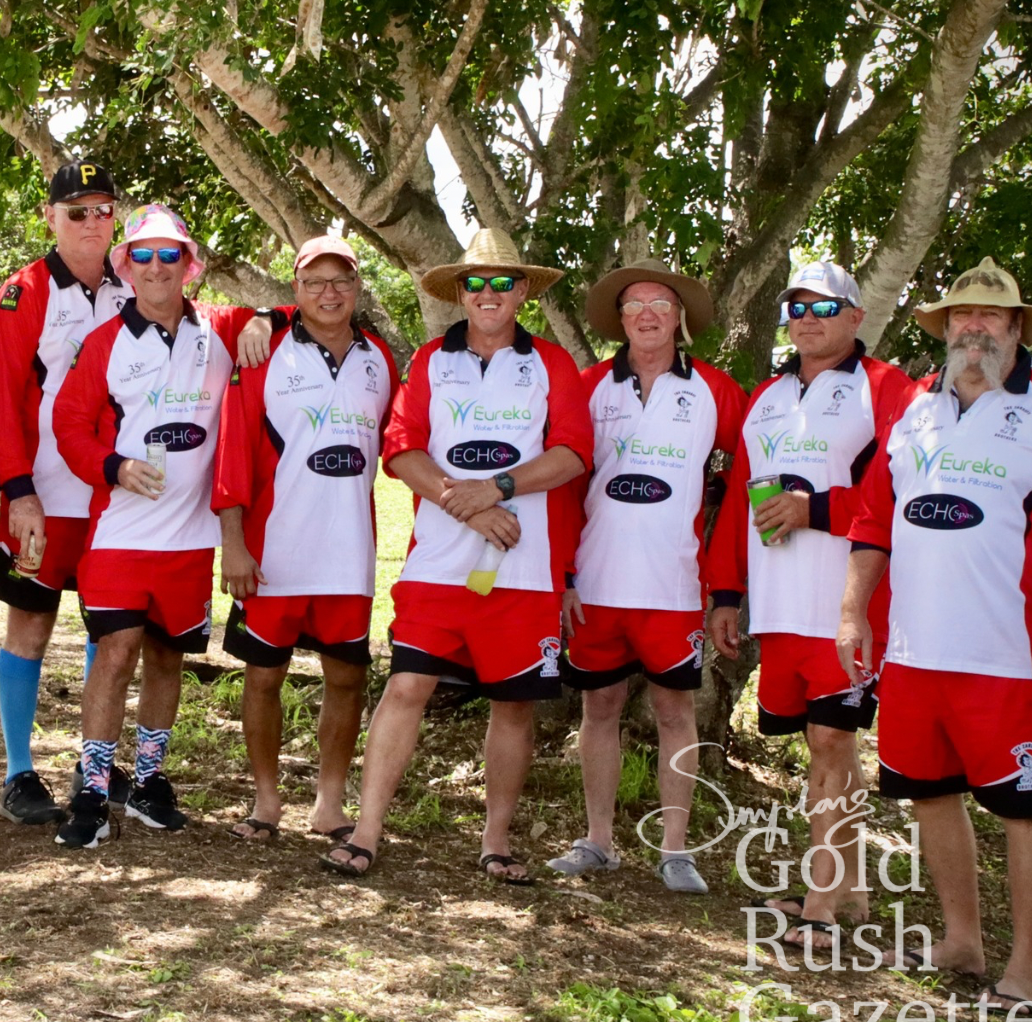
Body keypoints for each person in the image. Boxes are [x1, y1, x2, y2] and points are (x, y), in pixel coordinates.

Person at [839, 257, 1032, 1008]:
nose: (974, 328)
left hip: (1011, 656)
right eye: (961, 316)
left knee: (1029, 809)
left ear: (1017, 328)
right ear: (945, 327)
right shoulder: (913, 412)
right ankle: (962, 939)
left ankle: (1025, 968)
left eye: (991, 316)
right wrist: (853, 607)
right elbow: (872, 521)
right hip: (915, 652)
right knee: (930, 794)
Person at [322, 228, 591, 878]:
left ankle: (496, 841)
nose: (489, 293)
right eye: (476, 282)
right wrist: (458, 499)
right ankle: (365, 830)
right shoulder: (430, 362)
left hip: (524, 569)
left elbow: (573, 453)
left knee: (514, 702)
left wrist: (497, 487)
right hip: (439, 563)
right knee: (407, 684)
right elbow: (402, 449)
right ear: (461, 293)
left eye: (503, 281)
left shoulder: (552, 364)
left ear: (522, 291)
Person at [707, 261, 914, 938]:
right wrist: (727, 594)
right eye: (796, 306)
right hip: (778, 602)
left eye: (823, 307)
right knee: (823, 745)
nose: (807, 318)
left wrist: (816, 508)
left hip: (847, 602)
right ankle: (849, 891)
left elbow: (905, 498)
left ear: (856, 317)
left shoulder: (886, 389)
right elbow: (739, 498)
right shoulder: (765, 396)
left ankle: (821, 905)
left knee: (831, 740)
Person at [51, 205, 255, 849]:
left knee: (168, 659)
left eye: (171, 255)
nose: (158, 267)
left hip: (192, 539)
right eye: (143, 255)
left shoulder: (222, 329)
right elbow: (68, 427)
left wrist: (271, 319)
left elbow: (302, 314)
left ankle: (146, 781)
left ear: (190, 265)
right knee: (114, 657)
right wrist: (111, 466)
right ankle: (91, 787)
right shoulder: (105, 342)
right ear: (125, 266)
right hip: (120, 535)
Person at [547, 260, 745, 894]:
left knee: (673, 711)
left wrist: (728, 586)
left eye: (661, 302)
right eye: (635, 305)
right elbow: (562, 487)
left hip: (676, 588)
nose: (649, 313)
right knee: (598, 707)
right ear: (621, 319)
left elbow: (745, 481)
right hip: (597, 586)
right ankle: (597, 840)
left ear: (680, 316)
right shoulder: (586, 387)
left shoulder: (717, 389)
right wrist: (565, 576)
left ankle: (676, 849)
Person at [214, 235, 397, 843]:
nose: (329, 293)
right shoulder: (262, 354)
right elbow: (234, 452)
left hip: (349, 549)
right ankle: (266, 802)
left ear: (356, 288)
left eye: (341, 281)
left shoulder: (380, 360)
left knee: (346, 676)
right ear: (295, 289)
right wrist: (234, 544)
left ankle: (329, 802)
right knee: (264, 675)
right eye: (314, 282)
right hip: (275, 550)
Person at [0, 161, 131, 824]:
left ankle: (92, 761)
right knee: (30, 627)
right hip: (42, 494)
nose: (92, 222)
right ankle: (18, 771)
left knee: (109, 629)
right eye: (77, 211)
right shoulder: (25, 292)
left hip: (111, 498)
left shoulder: (135, 284)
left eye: (104, 209)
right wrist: (18, 491)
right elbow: (3, 400)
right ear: (50, 217)